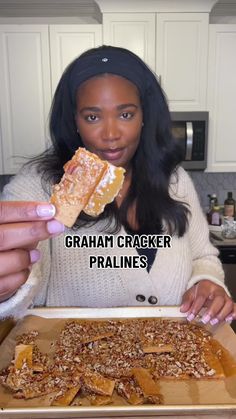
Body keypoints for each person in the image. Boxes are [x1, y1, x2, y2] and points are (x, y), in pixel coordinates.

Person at [0, 45, 235, 325]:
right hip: (76, 366)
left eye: (125, 114)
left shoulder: (174, 180)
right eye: (92, 117)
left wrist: (207, 282)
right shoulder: (38, 189)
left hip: (174, 364)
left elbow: (203, 256)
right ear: (74, 121)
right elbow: (25, 283)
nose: (111, 135)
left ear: (144, 116)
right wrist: (9, 288)